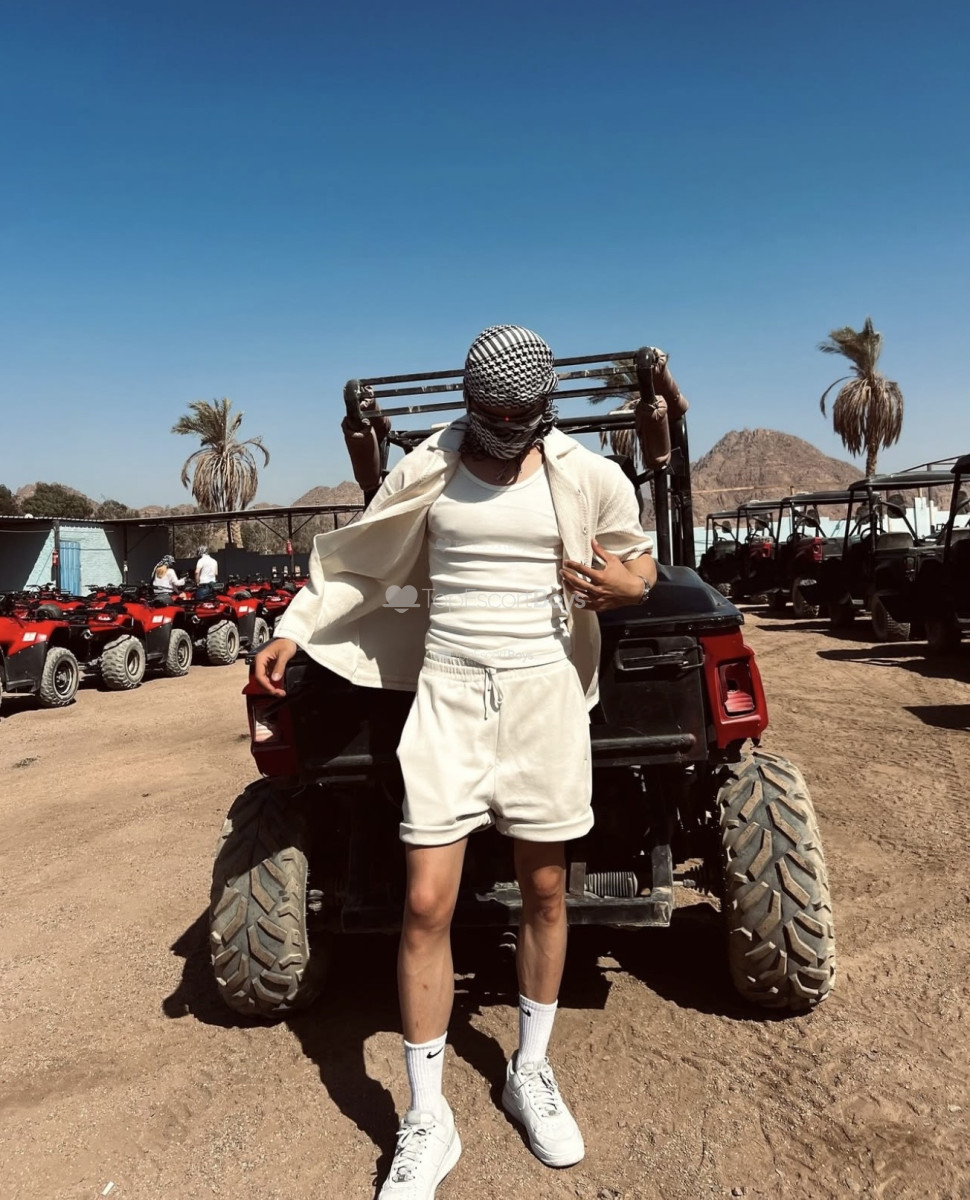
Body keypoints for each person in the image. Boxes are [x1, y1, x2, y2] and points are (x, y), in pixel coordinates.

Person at [253, 325, 657, 1199]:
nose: (507, 427)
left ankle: (530, 1069)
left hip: (545, 693)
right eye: (491, 412)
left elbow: (640, 566)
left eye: (523, 413)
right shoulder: (428, 467)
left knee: (545, 890)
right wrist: (294, 628)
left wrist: (627, 586)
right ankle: (427, 1116)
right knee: (426, 902)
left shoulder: (586, 474)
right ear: (470, 404)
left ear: (544, 405)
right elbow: (361, 562)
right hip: (448, 695)